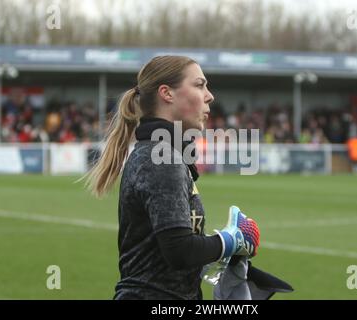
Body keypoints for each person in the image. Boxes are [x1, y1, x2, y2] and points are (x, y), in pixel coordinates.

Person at [83, 56, 260, 300]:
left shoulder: (166, 153)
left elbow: (164, 256)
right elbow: (179, 250)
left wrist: (221, 259)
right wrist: (231, 241)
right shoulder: (161, 157)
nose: (209, 96)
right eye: (199, 85)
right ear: (167, 93)